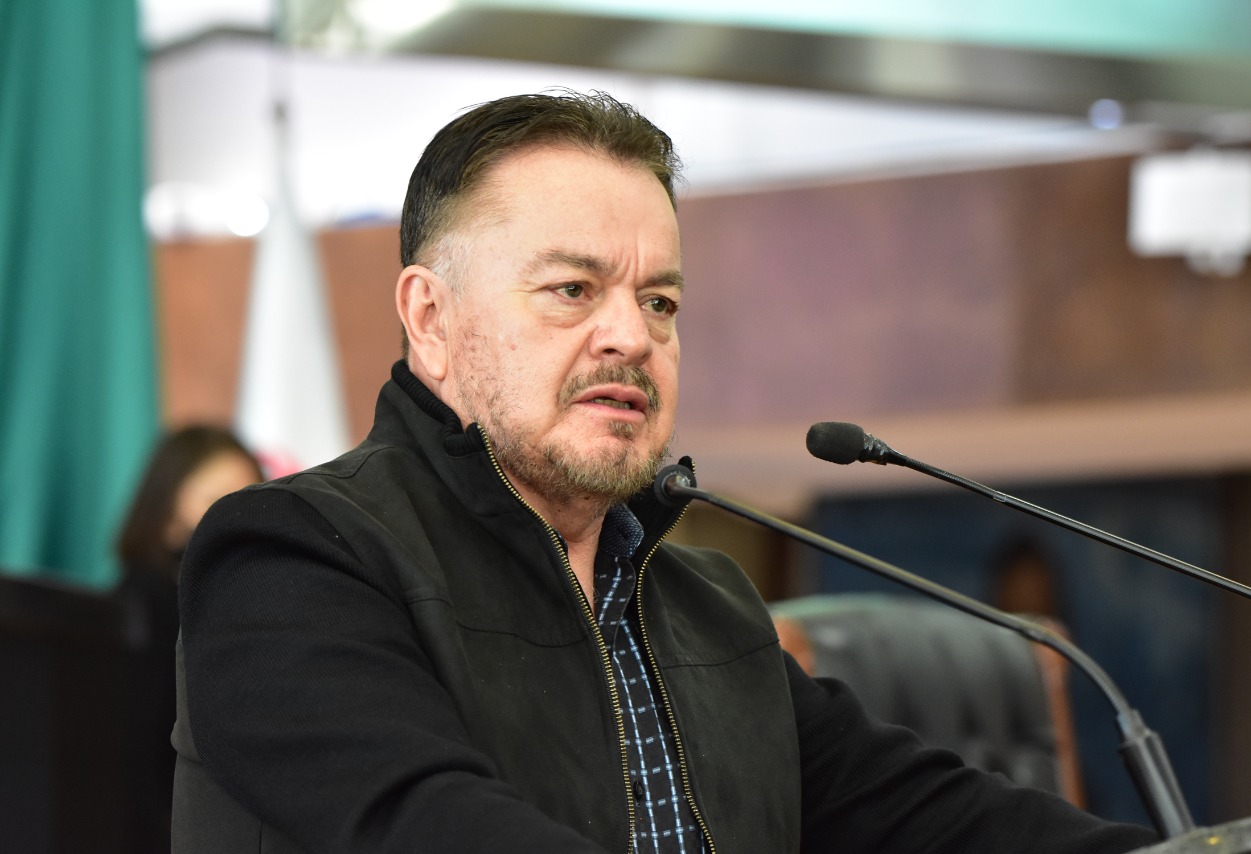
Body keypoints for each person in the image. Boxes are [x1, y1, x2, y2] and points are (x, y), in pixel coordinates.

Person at [173, 91, 1160, 853]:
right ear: (431, 319)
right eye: (572, 289)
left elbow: (928, 816)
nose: (631, 336)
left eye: (659, 302)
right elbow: (432, 826)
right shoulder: (294, 558)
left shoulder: (709, 609)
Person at [115, 424, 263, 852]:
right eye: (216, 501)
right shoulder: (143, 604)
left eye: (249, 498)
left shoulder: (254, 605)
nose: (237, 518)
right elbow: (138, 749)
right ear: (166, 515)